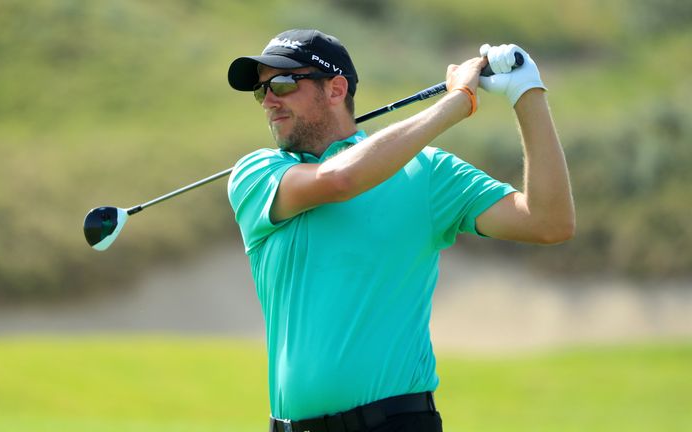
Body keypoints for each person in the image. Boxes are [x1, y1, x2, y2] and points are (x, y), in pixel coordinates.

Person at [226, 29, 574, 432]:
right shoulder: (257, 173)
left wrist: (527, 94)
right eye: (261, 91)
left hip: (396, 423)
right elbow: (339, 180)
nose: (268, 101)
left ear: (336, 89)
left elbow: (549, 222)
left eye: (283, 84)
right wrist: (457, 103)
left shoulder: (426, 172)